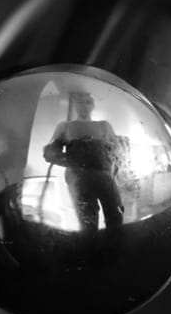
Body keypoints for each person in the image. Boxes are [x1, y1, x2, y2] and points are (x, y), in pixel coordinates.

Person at [42, 89, 127, 233]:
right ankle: (90, 248)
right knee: (87, 220)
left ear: (92, 105)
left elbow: (117, 153)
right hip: (78, 179)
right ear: (75, 104)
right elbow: (50, 153)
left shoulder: (104, 126)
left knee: (115, 216)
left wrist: (116, 172)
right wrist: (73, 161)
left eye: (87, 102)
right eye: (80, 102)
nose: (84, 106)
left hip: (104, 177)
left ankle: (113, 248)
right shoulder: (65, 127)